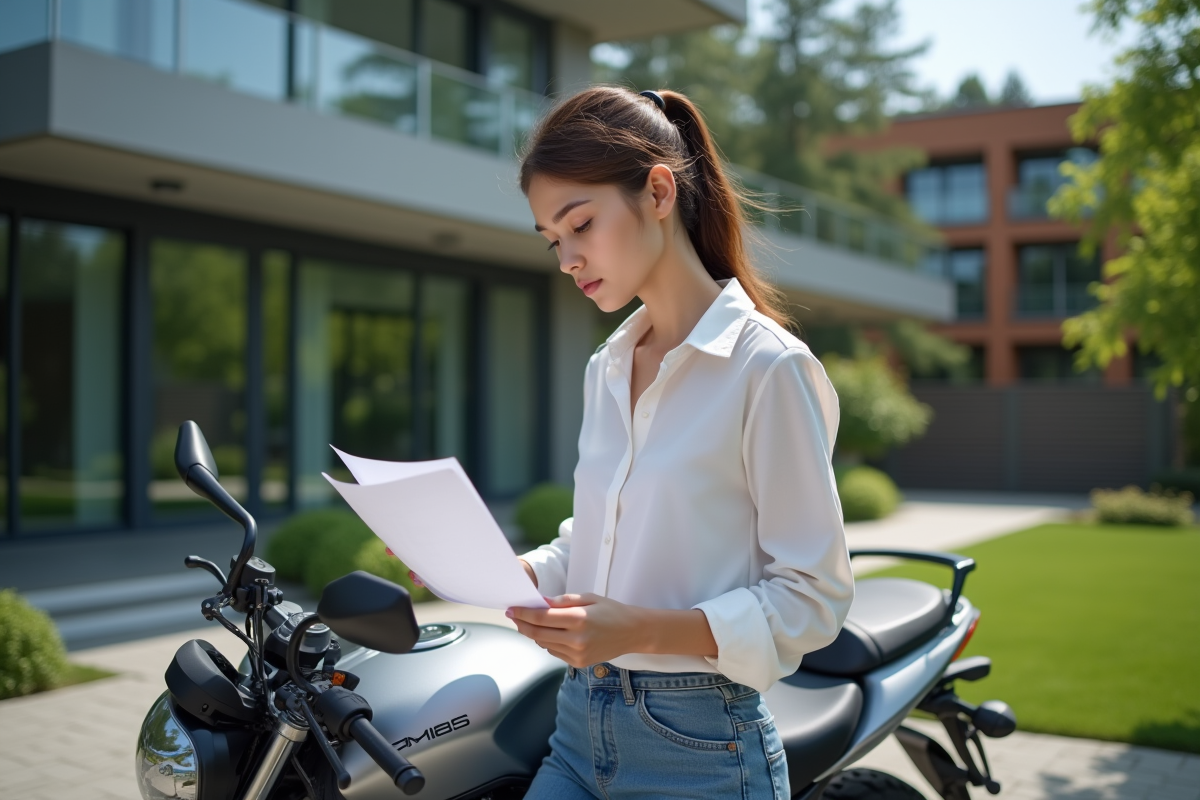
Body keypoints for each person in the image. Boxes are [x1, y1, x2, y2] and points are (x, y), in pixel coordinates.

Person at [418, 86, 854, 799]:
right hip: (577, 726)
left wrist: (636, 632)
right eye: (553, 240)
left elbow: (814, 596)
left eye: (580, 224)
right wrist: (511, 571)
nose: (566, 258)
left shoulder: (769, 367)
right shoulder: (608, 366)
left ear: (657, 192)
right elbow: (599, 537)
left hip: (702, 747)